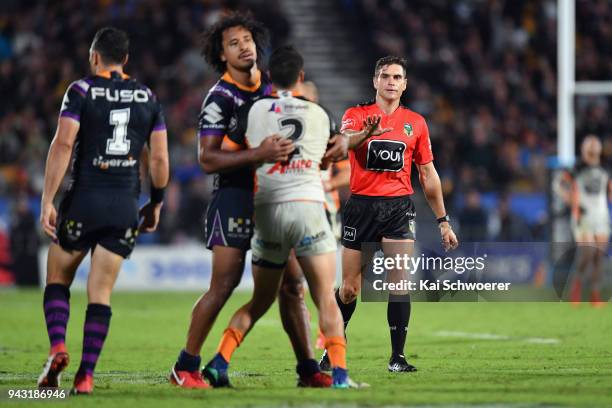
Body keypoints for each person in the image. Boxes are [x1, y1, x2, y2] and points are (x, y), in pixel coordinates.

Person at [170, 13, 328, 389]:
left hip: (274, 199)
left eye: (247, 40)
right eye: (233, 43)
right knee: (223, 285)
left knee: (293, 286)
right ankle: (185, 366)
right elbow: (207, 159)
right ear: (222, 55)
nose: (244, 48)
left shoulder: (273, 88)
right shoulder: (220, 98)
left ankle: (308, 370)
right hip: (235, 198)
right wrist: (258, 153)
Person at [202, 45, 356, 389]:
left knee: (259, 300)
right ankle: (342, 376)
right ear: (301, 78)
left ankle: (219, 360)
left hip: (268, 210)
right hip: (308, 207)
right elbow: (334, 156)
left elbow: (228, 154)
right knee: (324, 298)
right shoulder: (319, 114)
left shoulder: (251, 111)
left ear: (269, 78)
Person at [37, 27, 169, 395]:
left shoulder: (81, 90)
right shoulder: (148, 97)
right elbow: (158, 158)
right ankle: (86, 377)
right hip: (125, 205)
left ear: (94, 56)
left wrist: (48, 200)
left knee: (58, 278)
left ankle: (58, 345)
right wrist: (155, 203)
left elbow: (63, 143)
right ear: (125, 59)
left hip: (85, 200)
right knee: (101, 293)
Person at [319, 56, 459, 373]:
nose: (391, 81)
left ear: (405, 84)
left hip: (398, 208)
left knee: (399, 282)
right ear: (375, 81)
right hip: (361, 207)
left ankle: (397, 358)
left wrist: (443, 220)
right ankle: (332, 351)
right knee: (350, 288)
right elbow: (341, 147)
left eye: (397, 77)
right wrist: (366, 133)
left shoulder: (416, 123)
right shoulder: (356, 115)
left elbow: (428, 175)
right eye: (385, 76)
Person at [569, 135, 611, 307]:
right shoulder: (577, 167)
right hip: (584, 215)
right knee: (588, 253)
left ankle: (595, 295)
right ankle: (577, 284)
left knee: (598, 256)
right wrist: (574, 205)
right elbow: (562, 186)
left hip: (600, 215)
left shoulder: (605, 168)